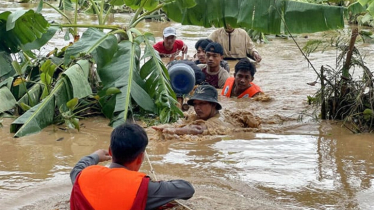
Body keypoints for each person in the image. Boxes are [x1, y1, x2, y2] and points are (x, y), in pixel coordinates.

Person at [70, 123, 195, 210]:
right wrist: (157, 185)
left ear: (110, 151)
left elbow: (77, 169)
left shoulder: (84, 176)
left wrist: (95, 156)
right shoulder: (144, 187)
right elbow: (187, 189)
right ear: (140, 157)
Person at [153, 85, 229, 135]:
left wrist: (173, 130)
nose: (197, 108)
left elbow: (198, 129)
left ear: (214, 105)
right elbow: (182, 121)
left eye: (202, 103)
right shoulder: (195, 116)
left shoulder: (217, 120)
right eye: (195, 104)